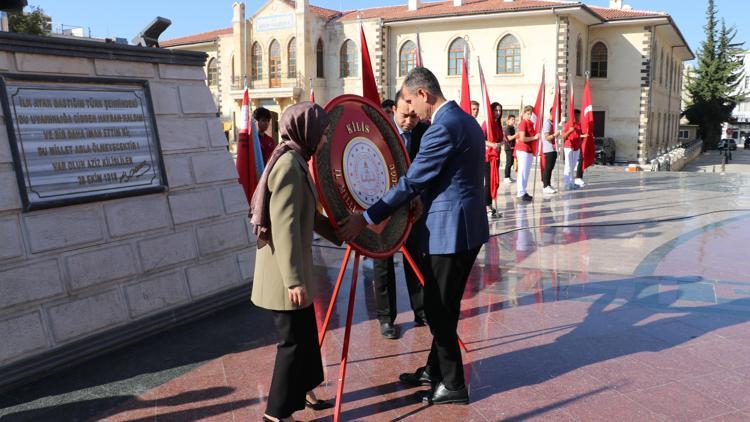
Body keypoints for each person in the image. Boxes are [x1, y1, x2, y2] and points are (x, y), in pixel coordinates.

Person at [337, 67, 489, 405]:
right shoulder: (465, 121)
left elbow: (410, 182)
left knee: (437, 310)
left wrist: (366, 218)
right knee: (444, 306)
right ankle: (433, 370)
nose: (408, 110)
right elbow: (449, 176)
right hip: (468, 227)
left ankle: (453, 384)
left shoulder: (442, 128)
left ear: (423, 94)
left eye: (408, 100)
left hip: (450, 232)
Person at [250, 102, 338, 422]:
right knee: (291, 343)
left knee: (305, 334)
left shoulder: (296, 159)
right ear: (308, 131)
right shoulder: (288, 165)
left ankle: (305, 389)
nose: (325, 139)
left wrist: (342, 233)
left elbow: (309, 215)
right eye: (323, 133)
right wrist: (293, 280)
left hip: (293, 267)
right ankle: (276, 413)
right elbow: (284, 227)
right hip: (283, 274)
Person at [372, 90, 429, 339]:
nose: (408, 122)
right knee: (382, 263)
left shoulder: (424, 133)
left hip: (412, 208)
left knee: (415, 258)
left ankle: (421, 310)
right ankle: (386, 318)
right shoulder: (379, 133)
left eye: (413, 117)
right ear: (394, 110)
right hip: (384, 206)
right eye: (405, 116)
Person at [481, 102, 503, 217]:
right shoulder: (487, 124)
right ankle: (487, 206)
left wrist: (500, 144)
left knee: (494, 181)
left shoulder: (498, 124)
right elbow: (481, 138)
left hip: (496, 156)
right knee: (488, 182)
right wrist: (493, 145)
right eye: (496, 110)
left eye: (499, 111)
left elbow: (501, 139)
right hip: (488, 157)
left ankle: (490, 204)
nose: (498, 113)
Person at [516, 105, 539, 202]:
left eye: (531, 114)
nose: (529, 116)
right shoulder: (523, 123)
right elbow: (522, 138)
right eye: (527, 113)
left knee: (526, 172)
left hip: (528, 150)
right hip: (523, 149)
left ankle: (523, 191)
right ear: (524, 113)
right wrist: (534, 138)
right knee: (522, 172)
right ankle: (520, 193)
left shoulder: (530, 123)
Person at [562, 109, 583, 190]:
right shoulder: (568, 124)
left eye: (579, 116)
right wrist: (570, 131)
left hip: (576, 147)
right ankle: (567, 183)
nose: (578, 117)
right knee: (568, 165)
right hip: (569, 146)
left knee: (573, 166)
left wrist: (584, 136)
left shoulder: (578, 125)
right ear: (573, 116)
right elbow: (563, 136)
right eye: (577, 116)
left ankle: (571, 182)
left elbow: (578, 135)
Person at [541, 107, 560, 194]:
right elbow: (546, 137)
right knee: (547, 168)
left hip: (554, 149)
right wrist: (555, 135)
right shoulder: (547, 123)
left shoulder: (554, 124)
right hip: (548, 149)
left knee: (551, 168)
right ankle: (545, 186)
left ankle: (548, 184)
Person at [504, 114, 518, 183]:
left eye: (514, 120)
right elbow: (509, 138)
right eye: (512, 119)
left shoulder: (513, 128)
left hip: (513, 147)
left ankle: (509, 176)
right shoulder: (507, 128)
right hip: (508, 147)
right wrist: (516, 135)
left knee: (511, 162)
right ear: (508, 120)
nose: (513, 121)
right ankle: (506, 177)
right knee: (509, 162)